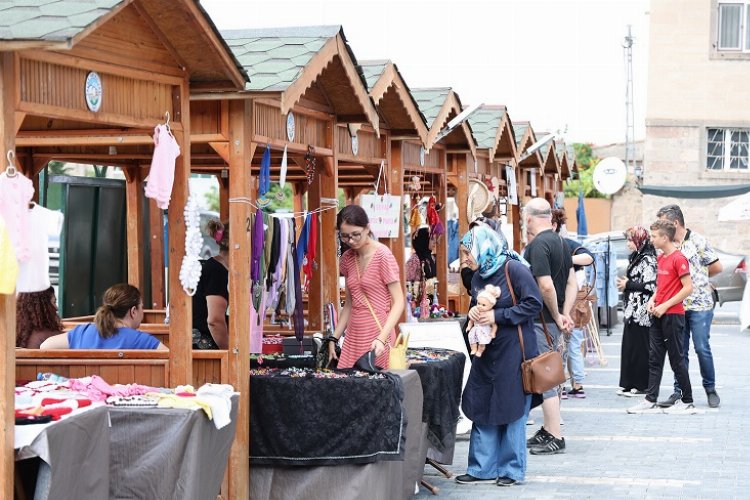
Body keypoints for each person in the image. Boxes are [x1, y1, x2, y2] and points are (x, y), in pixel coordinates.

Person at [455, 224, 542, 486]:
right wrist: (474, 313)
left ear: (483, 247)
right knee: (483, 403)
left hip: (514, 351)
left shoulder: (513, 268)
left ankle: (511, 470)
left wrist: (498, 315)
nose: (464, 259)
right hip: (486, 351)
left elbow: (533, 303)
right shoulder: (479, 274)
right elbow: (476, 303)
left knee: (512, 408)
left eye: (466, 253)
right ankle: (481, 467)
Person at [523, 198, 576, 455]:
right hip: (553, 321)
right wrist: (565, 313)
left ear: (530, 218)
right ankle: (549, 428)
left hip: (541, 320)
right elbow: (570, 283)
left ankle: (556, 435)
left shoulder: (538, 245)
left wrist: (556, 315)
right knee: (551, 373)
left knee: (545, 377)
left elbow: (546, 286)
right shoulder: (562, 243)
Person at [656, 204, 722, 408]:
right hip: (678, 307)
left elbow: (717, 267)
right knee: (679, 351)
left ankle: (710, 389)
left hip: (701, 305)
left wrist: (700, 278)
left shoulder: (698, 241)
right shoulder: (669, 247)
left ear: (675, 223)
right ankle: (680, 391)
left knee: (702, 348)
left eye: (665, 223)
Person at [627, 220, 695, 414]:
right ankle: (650, 400)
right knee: (655, 359)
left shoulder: (679, 258)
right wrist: (654, 300)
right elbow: (662, 285)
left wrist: (665, 305)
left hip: (673, 316)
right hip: (657, 314)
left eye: (655, 236)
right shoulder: (661, 258)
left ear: (665, 237)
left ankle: (687, 400)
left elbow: (688, 288)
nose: (651, 239)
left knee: (676, 360)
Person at [328, 205, 405, 369]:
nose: (351, 241)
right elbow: (349, 304)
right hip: (354, 334)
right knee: (348, 387)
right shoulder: (347, 258)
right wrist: (334, 338)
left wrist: (381, 338)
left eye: (356, 234)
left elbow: (399, 302)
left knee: (375, 388)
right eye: (345, 236)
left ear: (367, 228)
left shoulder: (383, 255)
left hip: (378, 333)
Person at [40, 284, 166, 350]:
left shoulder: (82, 333)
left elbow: (45, 346)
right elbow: (171, 360)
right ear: (133, 311)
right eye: (141, 307)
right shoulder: (143, 340)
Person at [551, 208, 594, 398]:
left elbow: (589, 257)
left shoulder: (566, 244)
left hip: (571, 303)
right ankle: (562, 384)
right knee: (557, 345)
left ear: (554, 225)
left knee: (571, 343)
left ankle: (576, 383)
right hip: (551, 304)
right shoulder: (537, 245)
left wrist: (563, 259)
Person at [616, 225, 657, 396]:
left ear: (639, 241)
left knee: (641, 348)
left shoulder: (648, 260)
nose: (627, 243)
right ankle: (628, 382)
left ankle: (642, 385)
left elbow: (651, 285)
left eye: (630, 240)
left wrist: (628, 284)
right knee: (630, 347)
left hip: (642, 312)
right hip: (632, 311)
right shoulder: (636, 257)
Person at [192, 219, 229, 349]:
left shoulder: (214, 267)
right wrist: (229, 352)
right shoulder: (217, 271)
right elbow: (215, 321)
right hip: (206, 345)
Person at [466, 284, 501, 357]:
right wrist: (469, 327)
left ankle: (480, 351)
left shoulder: (489, 314)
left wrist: (493, 332)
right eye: (478, 303)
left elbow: (494, 325)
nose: (480, 306)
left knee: (482, 343)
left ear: (491, 306)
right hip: (476, 329)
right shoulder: (477, 311)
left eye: (483, 305)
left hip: (484, 330)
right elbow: (471, 320)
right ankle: (474, 349)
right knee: (472, 339)